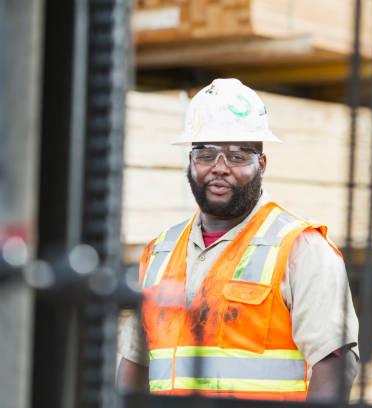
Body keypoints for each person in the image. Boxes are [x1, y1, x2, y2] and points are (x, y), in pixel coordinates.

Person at [116, 78, 359, 401]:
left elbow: (335, 364)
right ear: (190, 162)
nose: (220, 168)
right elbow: (135, 362)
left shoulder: (301, 248)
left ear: (261, 164)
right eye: (206, 154)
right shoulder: (159, 251)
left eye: (237, 156)